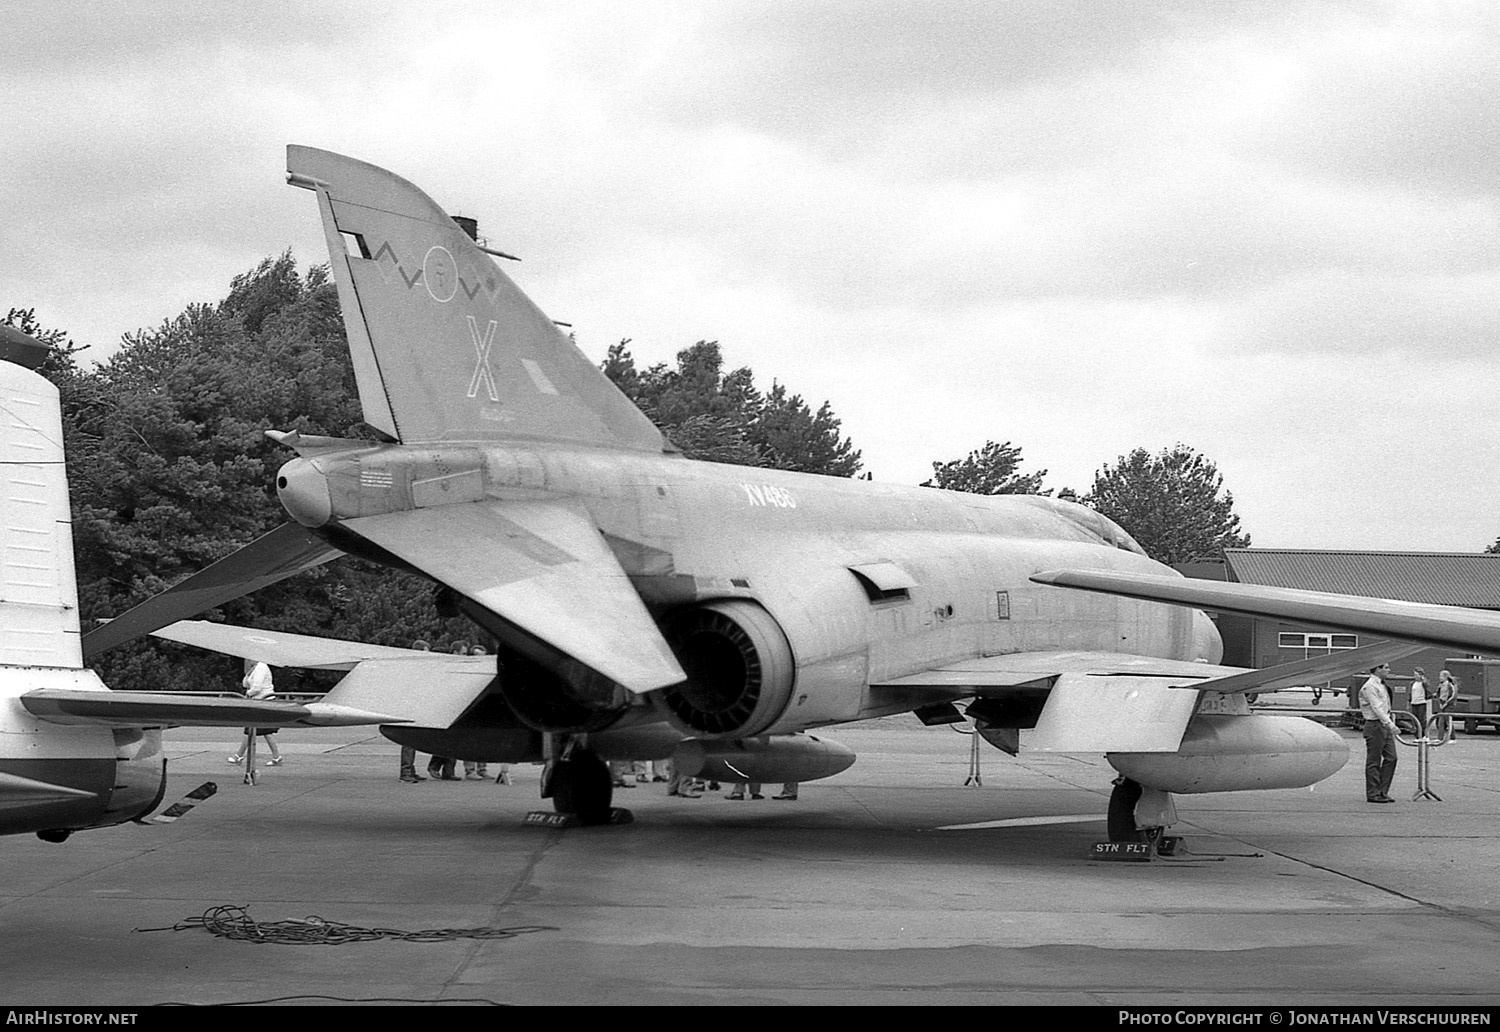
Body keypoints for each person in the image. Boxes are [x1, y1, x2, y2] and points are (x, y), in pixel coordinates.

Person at [228, 660, 283, 766]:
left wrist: (248, 694)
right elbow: (245, 683)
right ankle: (276, 756)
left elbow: (257, 688)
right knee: (262, 731)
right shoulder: (255, 668)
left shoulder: (261, 667)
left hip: (264, 701)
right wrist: (248, 672)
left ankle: (239, 755)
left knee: (252, 729)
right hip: (258, 701)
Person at [1359, 663, 1399, 803]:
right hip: (1375, 724)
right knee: (1374, 760)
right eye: (1386, 667)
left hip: (1383, 724)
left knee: (1391, 757)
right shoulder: (1370, 686)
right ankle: (1373, 793)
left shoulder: (1382, 685)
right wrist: (1390, 724)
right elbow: (1377, 708)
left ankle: (1382, 790)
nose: (1389, 670)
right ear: (1378, 669)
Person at [399, 640, 431, 783]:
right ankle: (405, 773)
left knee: (411, 741)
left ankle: (410, 770)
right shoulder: (412, 668)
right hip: (409, 707)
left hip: (413, 706)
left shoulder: (415, 668)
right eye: (426, 652)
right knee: (408, 742)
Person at [463, 644, 491, 780]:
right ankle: (470, 771)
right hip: (470, 709)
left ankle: (482, 768)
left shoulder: (488, 672)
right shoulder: (467, 672)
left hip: (484, 709)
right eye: (478, 656)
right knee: (470, 741)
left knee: (484, 740)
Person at [1409, 668, 1431, 734]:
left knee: (1422, 719)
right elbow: (1410, 693)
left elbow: (1427, 685)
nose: (1415, 676)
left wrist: (1423, 678)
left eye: (1416, 674)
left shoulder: (1423, 683)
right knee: (1415, 719)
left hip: (1421, 702)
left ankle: (1423, 734)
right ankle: (1417, 734)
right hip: (1414, 702)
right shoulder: (1413, 683)